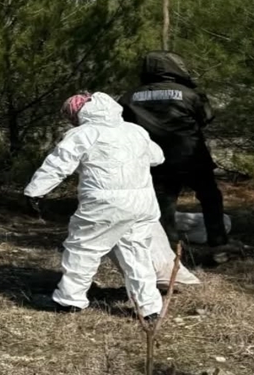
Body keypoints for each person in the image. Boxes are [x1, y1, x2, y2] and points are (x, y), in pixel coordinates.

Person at [24, 92, 165, 324]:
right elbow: (157, 157)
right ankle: (148, 307)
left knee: (83, 248)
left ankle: (69, 300)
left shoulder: (83, 133)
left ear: (79, 113)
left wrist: (34, 192)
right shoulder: (134, 130)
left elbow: (58, 165)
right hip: (143, 203)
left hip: (104, 203)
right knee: (136, 251)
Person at [123, 50, 228, 248]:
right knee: (210, 197)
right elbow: (205, 118)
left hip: (155, 160)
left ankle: (169, 246)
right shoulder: (189, 94)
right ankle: (218, 244)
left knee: (164, 203)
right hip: (191, 156)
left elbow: (124, 126)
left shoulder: (129, 97)